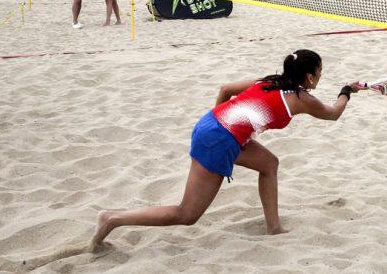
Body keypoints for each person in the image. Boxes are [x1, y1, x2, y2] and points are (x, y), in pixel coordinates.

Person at [90, 50, 362, 249]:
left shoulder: (267, 81)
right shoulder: (303, 99)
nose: (320, 77)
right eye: (319, 73)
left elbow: (226, 89)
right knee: (187, 214)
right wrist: (346, 90)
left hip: (212, 124)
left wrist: (220, 120)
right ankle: (113, 218)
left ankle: (274, 227)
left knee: (269, 164)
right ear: (308, 76)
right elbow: (334, 113)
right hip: (220, 139)